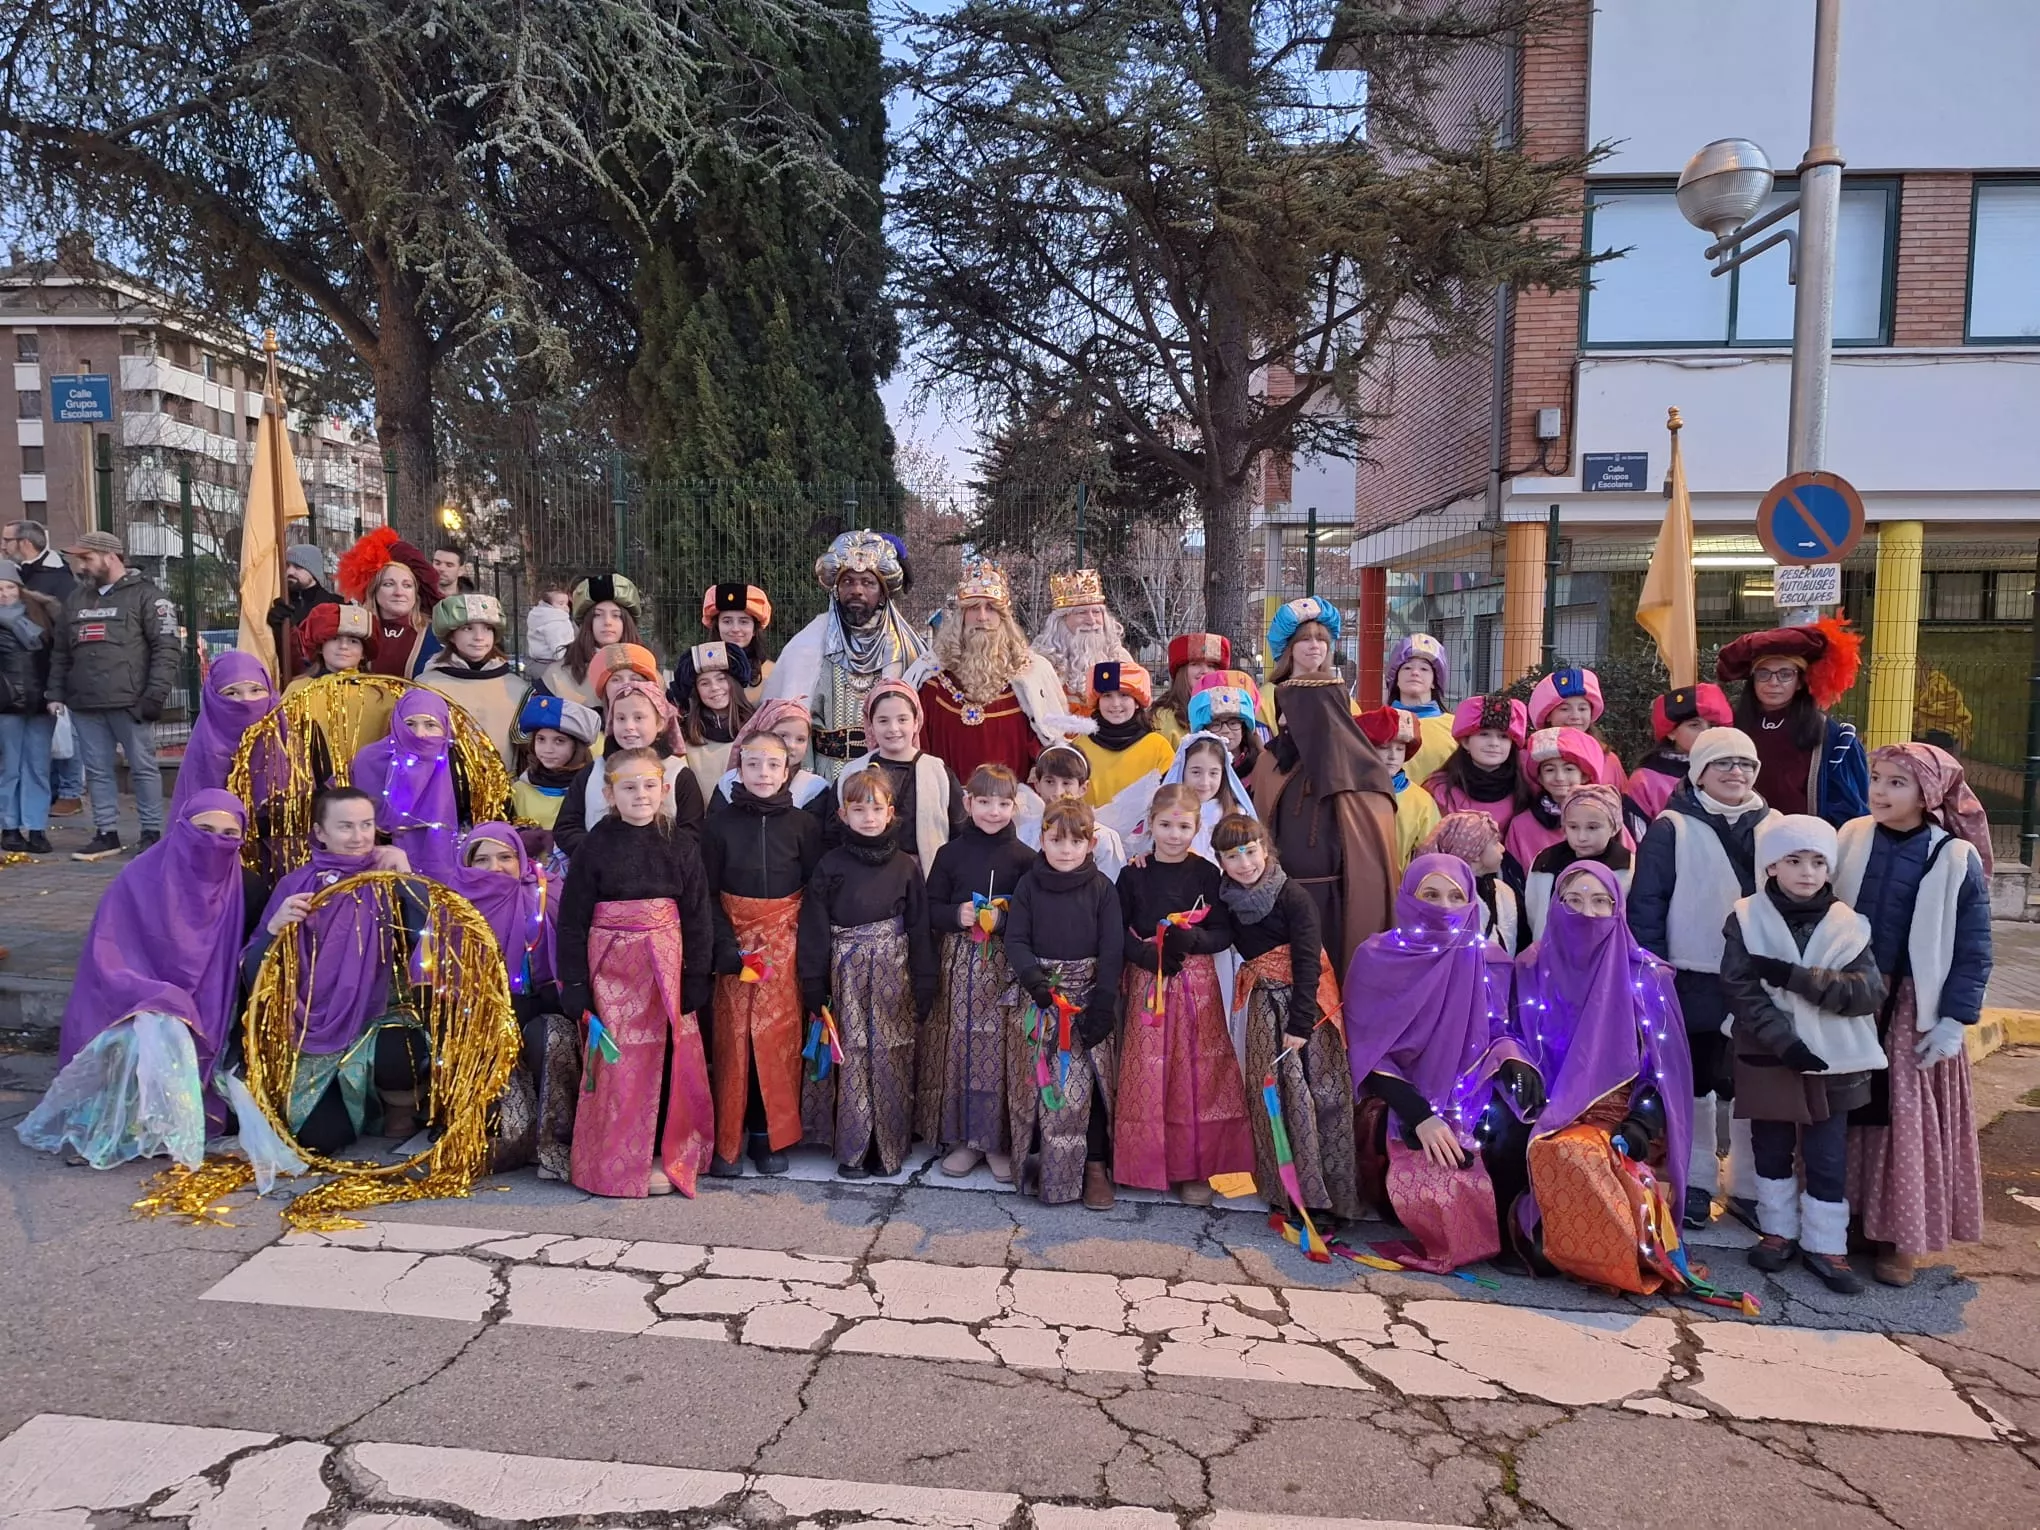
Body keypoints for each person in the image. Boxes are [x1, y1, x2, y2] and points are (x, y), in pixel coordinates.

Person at [18, 791, 256, 1167]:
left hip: (213, 1008)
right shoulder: (139, 877)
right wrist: (159, 996)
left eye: (229, 833)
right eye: (205, 829)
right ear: (181, 828)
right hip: (131, 998)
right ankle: (110, 1129)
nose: (216, 841)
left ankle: (165, 1122)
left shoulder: (246, 887)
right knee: (150, 1030)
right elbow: (107, 956)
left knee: (174, 1030)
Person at [1834, 743, 1993, 1288]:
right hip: (1853, 995)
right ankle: (1850, 1217)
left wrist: (1954, 1020)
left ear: (1928, 794)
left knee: (1903, 1120)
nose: (1879, 791)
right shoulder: (1851, 836)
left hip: (1910, 1008)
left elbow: (1974, 948)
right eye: (1876, 779)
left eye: (1897, 783)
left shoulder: (1954, 856)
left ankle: (1900, 1238)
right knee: (1848, 1109)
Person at [1344, 854, 1539, 1270]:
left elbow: (1500, 1030)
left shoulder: (1488, 958)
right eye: (1430, 894)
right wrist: (1420, 1116)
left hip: (1467, 1088)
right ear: (1408, 896)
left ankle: (1507, 1232)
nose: (1444, 907)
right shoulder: (1376, 957)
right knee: (1431, 1179)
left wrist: (1512, 1060)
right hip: (1398, 1099)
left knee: (1511, 1122)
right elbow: (1366, 1051)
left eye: (1455, 896)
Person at [1720, 815, 1886, 1294]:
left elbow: (1867, 992)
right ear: (1772, 866)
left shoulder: (1850, 925)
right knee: (1771, 1145)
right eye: (1794, 860)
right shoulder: (1746, 917)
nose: (1807, 872)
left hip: (1836, 1061)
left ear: (1830, 870)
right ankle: (1778, 1231)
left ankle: (1825, 1243)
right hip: (1770, 1054)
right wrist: (1785, 1042)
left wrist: (1796, 977)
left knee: (1826, 1153)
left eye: (1817, 861)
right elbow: (1740, 989)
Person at [1513, 863, 1692, 1291]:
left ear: (1618, 909)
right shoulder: (1532, 966)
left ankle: (1603, 1251)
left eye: (1600, 902)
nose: (1587, 913)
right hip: (1544, 1108)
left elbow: (1665, 1076)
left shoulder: (1646, 976)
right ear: (1555, 905)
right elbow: (1508, 1033)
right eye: (1573, 901)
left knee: (1576, 1156)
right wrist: (1514, 1062)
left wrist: (1640, 1126)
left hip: (1618, 1117)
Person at [1628, 726, 1779, 1229]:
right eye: (1723, 763)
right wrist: (1654, 969)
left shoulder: (1776, 825)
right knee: (1694, 1079)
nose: (1736, 772)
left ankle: (1747, 1185)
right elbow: (1647, 904)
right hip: (1691, 974)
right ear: (1699, 771)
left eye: (1746, 764)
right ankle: (1694, 1179)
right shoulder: (1671, 827)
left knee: (1746, 1081)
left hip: (1757, 976)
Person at [556, 747, 716, 1197]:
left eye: (649, 785)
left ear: (664, 789)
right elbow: (572, 919)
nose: (640, 795)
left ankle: (667, 1152)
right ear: (610, 794)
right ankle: (619, 1157)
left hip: (665, 968)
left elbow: (699, 914)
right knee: (619, 1063)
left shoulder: (681, 846)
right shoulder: (594, 847)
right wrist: (574, 983)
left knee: (667, 1058)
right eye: (628, 787)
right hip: (611, 970)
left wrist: (696, 975)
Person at [242, 786, 424, 1153]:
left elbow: (429, 940)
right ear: (320, 832)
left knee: (400, 1050)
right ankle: (356, 1105)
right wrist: (276, 928)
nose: (359, 837)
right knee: (319, 1140)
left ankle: (397, 1108)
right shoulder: (297, 885)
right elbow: (254, 972)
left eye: (366, 825)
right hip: (312, 1022)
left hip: (379, 1014)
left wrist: (407, 882)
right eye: (345, 827)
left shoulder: (390, 876)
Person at [1214, 812, 1361, 1228]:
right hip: (1263, 1007)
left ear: (1265, 848)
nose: (1244, 863)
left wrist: (1300, 1025)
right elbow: (1219, 938)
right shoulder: (1227, 897)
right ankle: (1283, 1191)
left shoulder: (1292, 897)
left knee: (1317, 1099)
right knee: (1272, 1100)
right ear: (1221, 862)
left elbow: (1307, 962)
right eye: (1232, 855)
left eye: (1250, 850)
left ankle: (1326, 1199)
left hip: (1305, 1008)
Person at [1114, 782, 1251, 1204]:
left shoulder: (1208, 874)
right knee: (1149, 1071)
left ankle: (1197, 1168)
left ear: (1197, 830)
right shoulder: (1133, 872)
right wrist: (1143, 955)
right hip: (1147, 981)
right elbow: (1115, 928)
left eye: (1184, 826)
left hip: (1196, 985)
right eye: (1166, 825)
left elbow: (1225, 931)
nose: (1174, 835)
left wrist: (1193, 942)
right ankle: (1147, 1164)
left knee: (1196, 1074)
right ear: (1151, 824)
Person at [799, 764, 938, 1178]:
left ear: (891, 812)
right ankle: (855, 1146)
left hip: (894, 974)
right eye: (859, 810)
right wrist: (813, 982)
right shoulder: (830, 865)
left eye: (877, 810)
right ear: (843, 815)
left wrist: (925, 978)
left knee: (892, 1053)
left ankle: (888, 1144)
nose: (869, 818)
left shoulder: (906, 866)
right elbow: (814, 926)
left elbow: (918, 924)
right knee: (854, 1055)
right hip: (846, 974)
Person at [701, 731, 823, 1178]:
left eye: (773, 765)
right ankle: (729, 1134)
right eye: (754, 764)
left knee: (777, 1043)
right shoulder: (718, 826)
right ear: (739, 768)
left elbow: (815, 894)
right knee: (735, 1043)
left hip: (784, 947)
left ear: (787, 770)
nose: (764, 774)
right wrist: (724, 949)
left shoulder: (805, 826)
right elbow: (706, 894)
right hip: (736, 945)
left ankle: (766, 1134)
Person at [920, 763, 1038, 1180]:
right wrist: (957, 913)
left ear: (1015, 806)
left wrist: (1003, 922)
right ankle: (964, 1140)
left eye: (1003, 803)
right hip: (959, 965)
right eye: (984, 802)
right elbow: (928, 909)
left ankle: (996, 1141)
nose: (993, 811)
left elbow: (1033, 916)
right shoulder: (950, 853)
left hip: (1006, 968)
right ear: (968, 802)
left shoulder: (1025, 858)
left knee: (1003, 1053)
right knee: (962, 1049)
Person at [1005, 797, 1124, 1209]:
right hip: (1040, 999)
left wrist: (1104, 1005)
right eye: (1056, 841)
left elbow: (1112, 950)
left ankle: (1093, 1166)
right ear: (1042, 840)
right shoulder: (1028, 886)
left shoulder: (1102, 890)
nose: (1066, 850)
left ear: (1091, 844)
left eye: (1076, 842)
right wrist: (1033, 980)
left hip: (1087, 1001)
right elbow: (1016, 938)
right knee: (1041, 1086)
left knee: (1087, 1087)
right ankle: (1046, 1162)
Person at [1248, 677, 1398, 978]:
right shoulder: (1272, 763)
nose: (1280, 721)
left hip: (1339, 906)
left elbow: (1372, 860)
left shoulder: (1363, 773)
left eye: (1289, 712)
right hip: (1280, 902)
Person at [45, 530, 179, 861]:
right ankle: (106, 833)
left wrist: (155, 695)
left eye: (86, 558)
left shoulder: (148, 596)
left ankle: (150, 832)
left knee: (143, 768)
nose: (81, 565)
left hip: (131, 701)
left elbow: (167, 648)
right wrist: (56, 692)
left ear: (110, 557)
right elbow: (61, 651)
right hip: (85, 703)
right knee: (97, 769)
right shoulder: (77, 599)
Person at [763, 530, 926, 778]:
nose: (857, 590)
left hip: (886, 775)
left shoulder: (907, 648)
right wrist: (804, 781)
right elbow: (791, 714)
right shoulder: (809, 642)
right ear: (836, 590)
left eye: (868, 583)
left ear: (883, 593)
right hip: (823, 775)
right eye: (848, 582)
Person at [908, 559, 1074, 785]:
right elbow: (917, 747)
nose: (983, 617)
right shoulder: (932, 677)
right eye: (974, 608)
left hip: (1012, 807)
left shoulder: (1033, 672)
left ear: (1004, 617)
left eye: (992, 609)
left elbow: (1049, 743)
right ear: (962, 616)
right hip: (949, 806)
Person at [1714, 618, 1869, 826]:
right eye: (1764, 673)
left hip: (1805, 849)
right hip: (1739, 845)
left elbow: (1849, 812)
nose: (1773, 682)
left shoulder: (1833, 738)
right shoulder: (1730, 728)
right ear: (1753, 680)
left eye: (1785, 674)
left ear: (1799, 682)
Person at [551, 679, 705, 860]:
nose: (629, 726)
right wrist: (599, 853)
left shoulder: (679, 775)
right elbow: (566, 827)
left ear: (660, 723)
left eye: (639, 718)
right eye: (621, 718)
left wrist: (654, 858)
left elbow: (692, 833)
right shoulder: (592, 772)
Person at [826, 679, 964, 877]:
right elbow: (833, 835)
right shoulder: (853, 771)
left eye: (902, 719)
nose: (893, 728)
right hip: (860, 880)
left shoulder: (937, 773)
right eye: (883, 720)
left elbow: (959, 834)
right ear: (871, 725)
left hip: (925, 882)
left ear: (916, 722)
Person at [5, 519, 81, 814]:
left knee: (64, 735)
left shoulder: (56, 579)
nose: (4, 546)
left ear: (24, 543)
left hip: (51, 673)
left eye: (7, 540)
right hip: (20, 680)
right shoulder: (26, 573)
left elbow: (60, 631)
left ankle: (70, 791)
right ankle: (46, 796)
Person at [350, 689, 466, 876]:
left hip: (446, 869)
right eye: (410, 724)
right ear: (396, 725)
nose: (419, 734)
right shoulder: (370, 760)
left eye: (430, 725)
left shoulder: (459, 764)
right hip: (378, 868)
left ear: (445, 727)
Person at [418, 593, 531, 767]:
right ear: (450, 635)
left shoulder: (515, 687)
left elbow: (526, 749)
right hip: (446, 785)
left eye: (487, 628)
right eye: (467, 628)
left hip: (505, 787)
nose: (479, 637)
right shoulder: (427, 686)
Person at [167, 650, 277, 822]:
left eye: (256, 690)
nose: (246, 700)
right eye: (232, 693)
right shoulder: (202, 749)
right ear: (213, 699)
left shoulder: (287, 740)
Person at [0, 558, 61, 853]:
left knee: (38, 767)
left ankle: (36, 827)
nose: (3, 593)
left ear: (20, 589)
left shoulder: (42, 617)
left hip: (40, 703)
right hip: (5, 706)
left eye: (9, 587)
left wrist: (55, 693)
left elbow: (55, 659)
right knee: (9, 768)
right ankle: (9, 827)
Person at [1523, 783, 1631, 939]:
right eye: (1573, 827)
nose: (1582, 837)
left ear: (1614, 827)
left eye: (1592, 828)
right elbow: (1534, 912)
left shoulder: (1628, 867)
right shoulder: (1545, 863)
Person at [336, 527, 442, 680]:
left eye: (407, 585)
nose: (399, 592)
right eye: (388, 584)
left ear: (415, 593)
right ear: (374, 590)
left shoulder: (436, 635)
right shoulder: (355, 631)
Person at [1424, 694, 1530, 841]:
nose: (1494, 743)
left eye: (1503, 737)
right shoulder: (1439, 790)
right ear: (1466, 741)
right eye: (1484, 734)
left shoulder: (1526, 787)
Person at [1074, 660, 1172, 814]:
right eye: (1107, 695)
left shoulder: (1158, 747)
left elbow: (1170, 799)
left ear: (1137, 702)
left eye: (1124, 695)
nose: (1115, 703)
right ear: (1097, 701)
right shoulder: (1080, 746)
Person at [1627, 684, 1734, 825]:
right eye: (1694, 725)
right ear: (1671, 732)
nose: (1706, 732)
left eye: (1713, 725)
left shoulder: (1734, 770)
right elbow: (1635, 834)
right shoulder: (1646, 780)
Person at [540, 575, 649, 712]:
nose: (607, 622)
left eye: (616, 615)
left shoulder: (647, 672)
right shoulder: (557, 676)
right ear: (587, 622)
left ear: (627, 623)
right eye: (598, 615)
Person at [1504, 726, 1605, 872]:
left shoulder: (1606, 819)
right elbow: (1513, 877)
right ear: (1540, 777)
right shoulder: (1522, 825)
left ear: (1584, 775)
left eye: (1569, 769)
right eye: (1550, 769)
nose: (1559, 777)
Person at [1422, 811, 1522, 955]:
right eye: (1495, 843)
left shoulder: (1501, 890)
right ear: (1474, 853)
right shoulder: (1447, 897)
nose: (1503, 848)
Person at [1024, 743, 1129, 881]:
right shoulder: (1025, 833)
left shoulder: (1103, 838)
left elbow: (1111, 887)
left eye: (1066, 783)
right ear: (1037, 785)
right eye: (1050, 782)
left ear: (1083, 788)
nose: (1057, 792)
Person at [1032, 567, 1133, 709]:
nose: (1091, 621)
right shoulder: (1041, 662)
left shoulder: (1120, 658)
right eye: (1081, 612)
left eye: (1096, 612)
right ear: (1061, 620)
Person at [1357, 705, 1440, 872]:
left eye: (1400, 749)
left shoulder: (1421, 801)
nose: (1393, 756)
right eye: (1384, 748)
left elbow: (1431, 856)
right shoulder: (1351, 794)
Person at [670, 641, 756, 802]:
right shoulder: (686, 734)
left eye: (721, 679)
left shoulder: (757, 728)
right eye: (704, 683)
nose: (714, 687)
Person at [710, 699, 831, 813]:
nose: (791, 745)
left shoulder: (813, 788)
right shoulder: (730, 782)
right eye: (782, 736)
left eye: (800, 739)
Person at [1156, 728, 1255, 866]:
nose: (1204, 782)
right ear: (1183, 770)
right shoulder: (1167, 813)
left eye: (1213, 773)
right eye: (1196, 772)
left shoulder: (1236, 815)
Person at [510, 692, 601, 831]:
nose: (548, 749)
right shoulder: (519, 790)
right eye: (541, 739)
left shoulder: (593, 789)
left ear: (577, 747)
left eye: (559, 741)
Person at [1527, 667, 1624, 789]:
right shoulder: (1529, 757)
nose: (1575, 716)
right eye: (1564, 709)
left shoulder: (1609, 760)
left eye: (1582, 709)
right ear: (1548, 715)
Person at [1383, 633, 1455, 785]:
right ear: (1395, 679)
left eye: (1424, 669)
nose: (1415, 673)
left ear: (1435, 682)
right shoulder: (1378, 723)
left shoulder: (1454, 727)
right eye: (1407, 667)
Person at [265, 544, 342, 683]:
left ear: (313, 571)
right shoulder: (277, 603)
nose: (290, 572)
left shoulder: (336, 604)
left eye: (298, 567)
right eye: (287, 566)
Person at [703, 582, 775, 702]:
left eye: (743, 621)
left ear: (754, 630)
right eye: (727, 621)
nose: (735, 629)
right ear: (717, 627)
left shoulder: (772, 673)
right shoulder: (701, 668)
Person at [284, 601, 377, 690]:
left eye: (353, 641)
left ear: (363, 654)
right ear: (320, 647)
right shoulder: (298, 689)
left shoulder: (380, 693)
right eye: (335, 639)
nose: (343, 646)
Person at [1188, 672, 1263, 781]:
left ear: (1244, 727)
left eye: (1233, 723)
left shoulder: (1260, 767)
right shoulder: (1191, 769)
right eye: (1216, 724)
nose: (1225, 730)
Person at [1266, 597, 1341, 686]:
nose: (1315, 645)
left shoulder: (1338, 693)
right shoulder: (1269, 696)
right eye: (1305, 639)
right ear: (1288, 647)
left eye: (1321, 639)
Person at [524, 584, 575, 669]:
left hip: (540, 661)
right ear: (548, 605)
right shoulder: (553, 622)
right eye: (561, 604)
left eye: (567, 603)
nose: (566, 607)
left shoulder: (542, 618)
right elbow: (557, 646)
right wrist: (566, 655)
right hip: (553, 663)